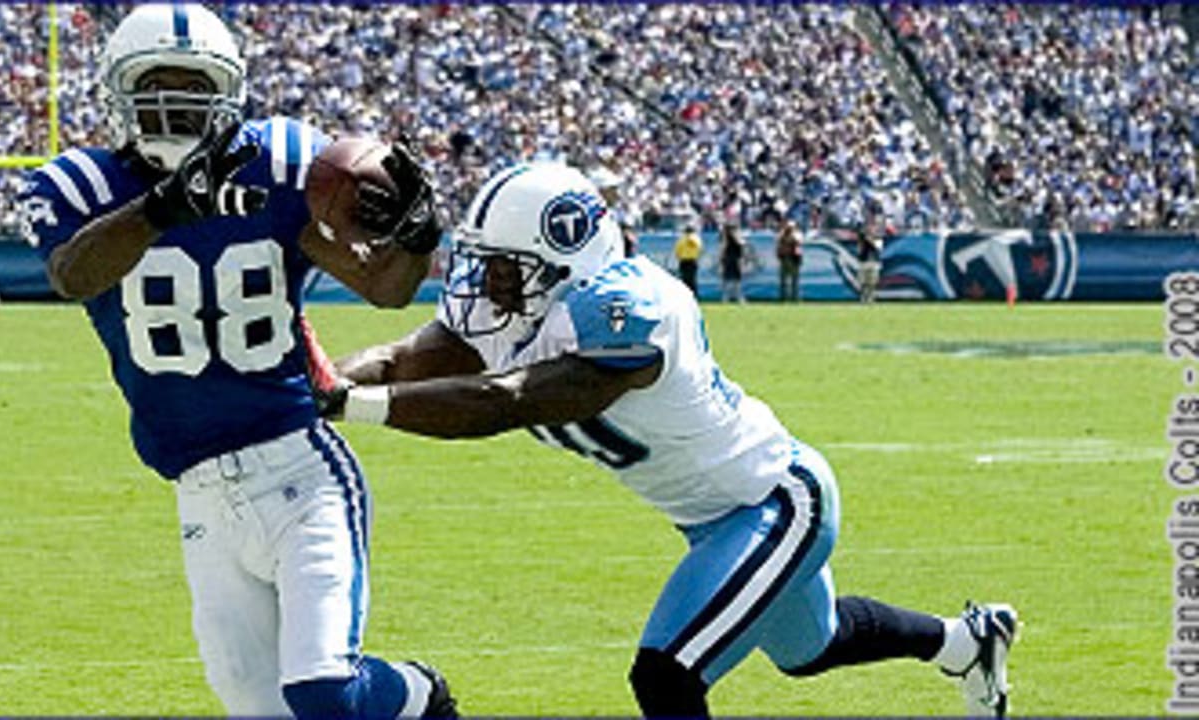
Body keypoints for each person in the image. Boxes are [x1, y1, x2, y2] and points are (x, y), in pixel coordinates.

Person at [313, 164, 1019, 718]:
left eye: (504, 265)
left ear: (565, 259)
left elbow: (506, 401)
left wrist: (352, 404)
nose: (486, 284)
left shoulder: (630, 310)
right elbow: (407, 358)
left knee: (666, 674)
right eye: (485, 262)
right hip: (710, 521)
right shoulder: (527, 299)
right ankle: (966, 642)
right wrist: (312, 385)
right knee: (813, 649)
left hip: (776, 502)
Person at [17, 5, 455, 718]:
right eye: (157, 84)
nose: (176, 103)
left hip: (299, 467)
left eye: (194, 86)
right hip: (196, 488)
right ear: (116, 92)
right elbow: (74, 275)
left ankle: (419, 694)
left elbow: (385, 287)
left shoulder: (276, 163)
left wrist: (417, 233)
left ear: (229, 92)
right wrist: (162, 209)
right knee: (260, 709)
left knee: (324, 692)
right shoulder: (78, 185)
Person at [857, 212, 884, 303]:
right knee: (863, 281)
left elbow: (878, 247)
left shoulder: (878, 236)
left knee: (872, 282)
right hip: (864, 259)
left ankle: (871, 298)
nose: (870, 227)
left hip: (873, 260)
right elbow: (860, 246)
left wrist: (870, 239)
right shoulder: (862, 235)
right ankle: (863, 297)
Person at [775, 216, 803, 303]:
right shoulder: (781, 234)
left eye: (791, 227)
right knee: (783, 280)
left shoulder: (797, 234)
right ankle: (783, 298)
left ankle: (795, 298)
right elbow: (778, 244)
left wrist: (791, 235)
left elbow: (798, 242)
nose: (789, 228)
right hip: (785, 258)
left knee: (794, 280)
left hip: (794, 259)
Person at [718, 222, 745, 304]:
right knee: (731, 280)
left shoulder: (730, 237)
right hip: (731, 260)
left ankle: (733, 298)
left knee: (733, 280)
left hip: (732, 260)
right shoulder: (729, 237)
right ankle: (730, 298)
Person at [673, 222, 702, 296]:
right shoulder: (696, 239)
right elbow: (700, 249)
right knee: (692, 279)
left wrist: (680, 257)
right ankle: (694, 295)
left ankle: (685, 295)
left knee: (684, 280)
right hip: (692, 260)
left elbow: (677, 252)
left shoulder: (681, 239)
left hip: (684, 261)